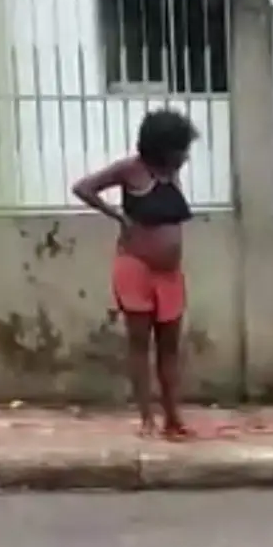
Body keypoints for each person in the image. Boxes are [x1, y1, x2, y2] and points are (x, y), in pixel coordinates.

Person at [72, 108, 197, 439]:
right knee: (140, 344)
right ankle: (146, 419)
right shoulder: (131, 170)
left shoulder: (172, 174)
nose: (185, 156)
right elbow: (84, 187)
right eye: (180, 149)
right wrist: (119, 217)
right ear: (162, 147)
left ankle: (173, 417)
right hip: (136, 268)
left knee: (170, 347)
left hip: (169, 274)